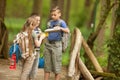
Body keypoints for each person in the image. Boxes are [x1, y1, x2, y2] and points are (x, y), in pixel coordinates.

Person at [44, 6, 70, 80]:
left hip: (57, 45)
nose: (53, 16)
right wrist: (44, 36)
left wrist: (60, 28)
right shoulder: (49, 22)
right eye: (52, 15)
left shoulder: (61, 22)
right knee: (47, 65)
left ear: (59, 14)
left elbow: (68, 30)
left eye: (54, 15)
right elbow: (47, 33)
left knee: (57, 65)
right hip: (48, 44)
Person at [19, 15, 46, 80]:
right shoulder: (33, 32)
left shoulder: (23, 31)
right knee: (27, 72)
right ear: (31, 24)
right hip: (31, 54)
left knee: (24, 71)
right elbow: (38, 45)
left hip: (23, 54)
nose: (38, 22)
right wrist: (42, 37)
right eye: (36, 21)